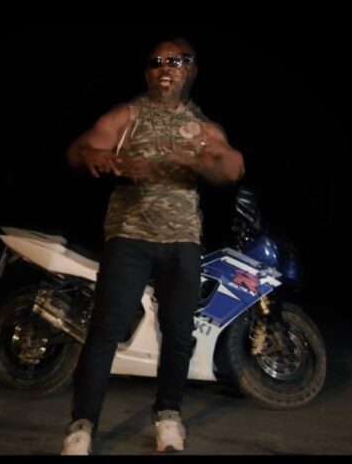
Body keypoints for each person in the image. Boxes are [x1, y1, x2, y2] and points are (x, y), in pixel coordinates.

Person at [61, 37, 245, 455]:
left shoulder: (203, 128)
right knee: (106, 330)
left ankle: (168, 415)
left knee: (179, 332)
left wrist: (192, 159)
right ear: (147, 71)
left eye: (176, 61)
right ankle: (81, 426)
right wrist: (97, 157)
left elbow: (233, 167)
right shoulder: (128, 114)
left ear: (191, 70)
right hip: (129, 237)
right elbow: (80, 147)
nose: (165, 67)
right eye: (157, 61)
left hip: (183, 241)